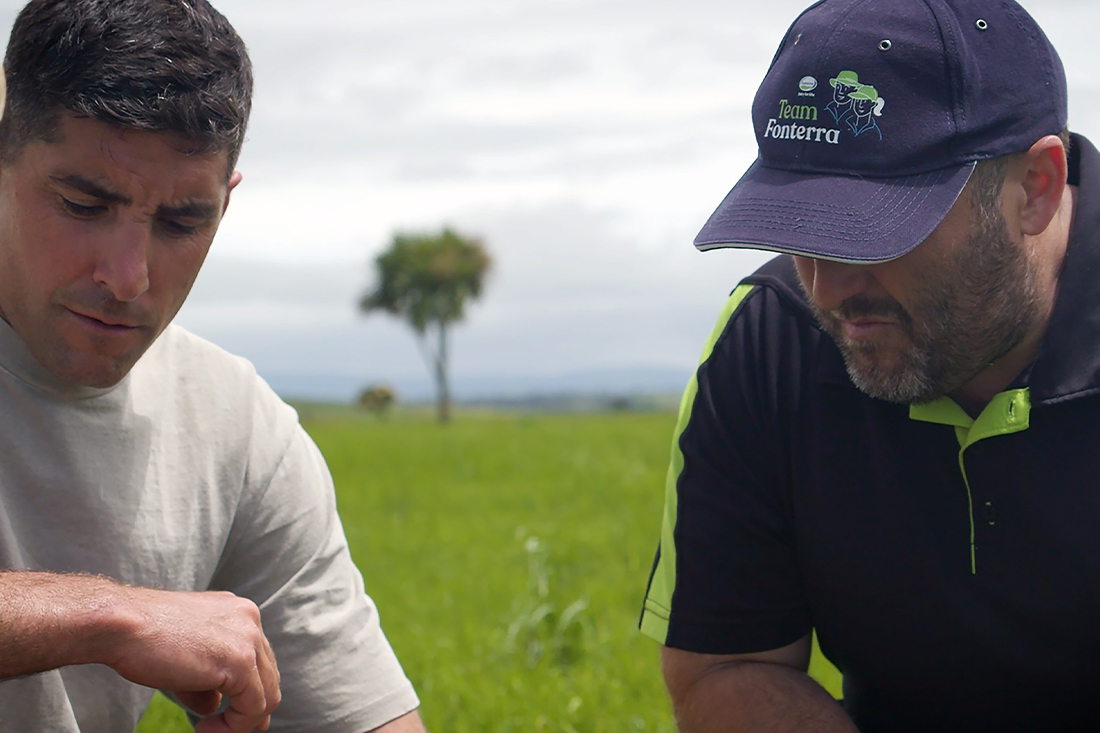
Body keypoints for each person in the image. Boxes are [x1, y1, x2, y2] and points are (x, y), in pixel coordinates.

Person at [639, 0, 1098, 730]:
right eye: (800, 231)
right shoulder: (771, 337)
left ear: (1035, 188)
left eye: (876, 233)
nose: (826, 288)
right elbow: (729, 666)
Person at [0, 1, 425, 732]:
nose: (128, 275)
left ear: (225, 205)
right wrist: (109, 616)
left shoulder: (235, 423)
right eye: (83, 203)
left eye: (181, 222)